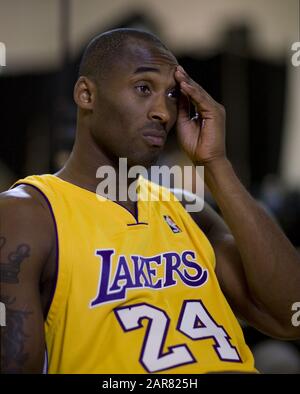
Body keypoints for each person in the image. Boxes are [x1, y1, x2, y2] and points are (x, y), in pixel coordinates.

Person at [0, 28, 299, 374]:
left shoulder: (189, 211)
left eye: (172, 94)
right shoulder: (27, 214)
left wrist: (216, 165)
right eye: (144, 88)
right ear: (86, 94)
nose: (163, 112)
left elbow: (290, 316)